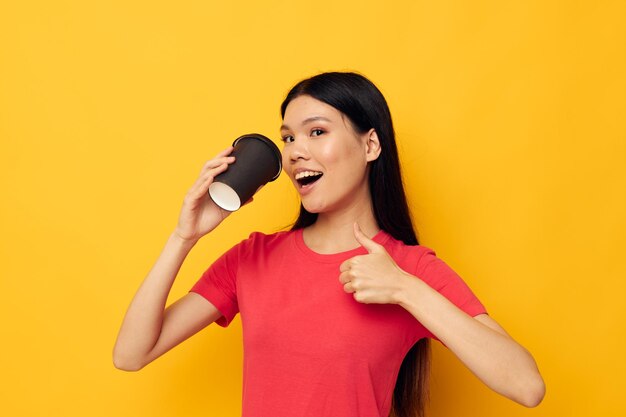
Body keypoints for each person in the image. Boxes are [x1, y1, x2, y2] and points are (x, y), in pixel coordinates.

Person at [113, 72, 545, 417]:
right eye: (288, 138)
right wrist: (183, 236)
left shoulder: (407, 270)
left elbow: (526, 386)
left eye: (316, 132)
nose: (296, 151)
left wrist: (403, 290)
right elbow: (131, 354)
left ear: (370, 144)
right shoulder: (253, 258)